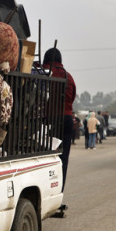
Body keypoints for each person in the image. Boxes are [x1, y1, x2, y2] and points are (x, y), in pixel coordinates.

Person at [43, 48, 76, 192]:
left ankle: (45, 191)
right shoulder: (68, 77)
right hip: (66, 119)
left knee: (43, 158)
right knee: (63, 159)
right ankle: (58, 192)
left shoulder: (42, 73)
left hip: (46, 121)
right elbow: (72, 96)